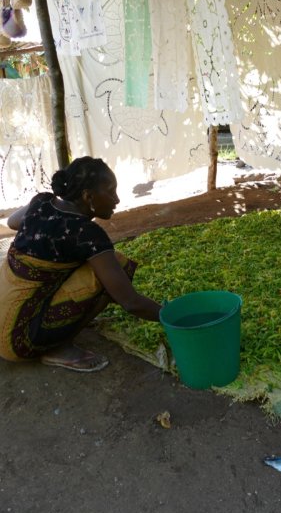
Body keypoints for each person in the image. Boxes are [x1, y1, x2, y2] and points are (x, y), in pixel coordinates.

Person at [0, 156, 162, 372]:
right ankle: (58, 348)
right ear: (88, 197)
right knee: (117, 266)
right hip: (19, 341)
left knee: (82, 263)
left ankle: (54, 326)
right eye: (111, 191)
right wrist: (172, 315)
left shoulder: (42, 201)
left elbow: (12, 222)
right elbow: (130, 302)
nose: (117, 200)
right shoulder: (86, 234)